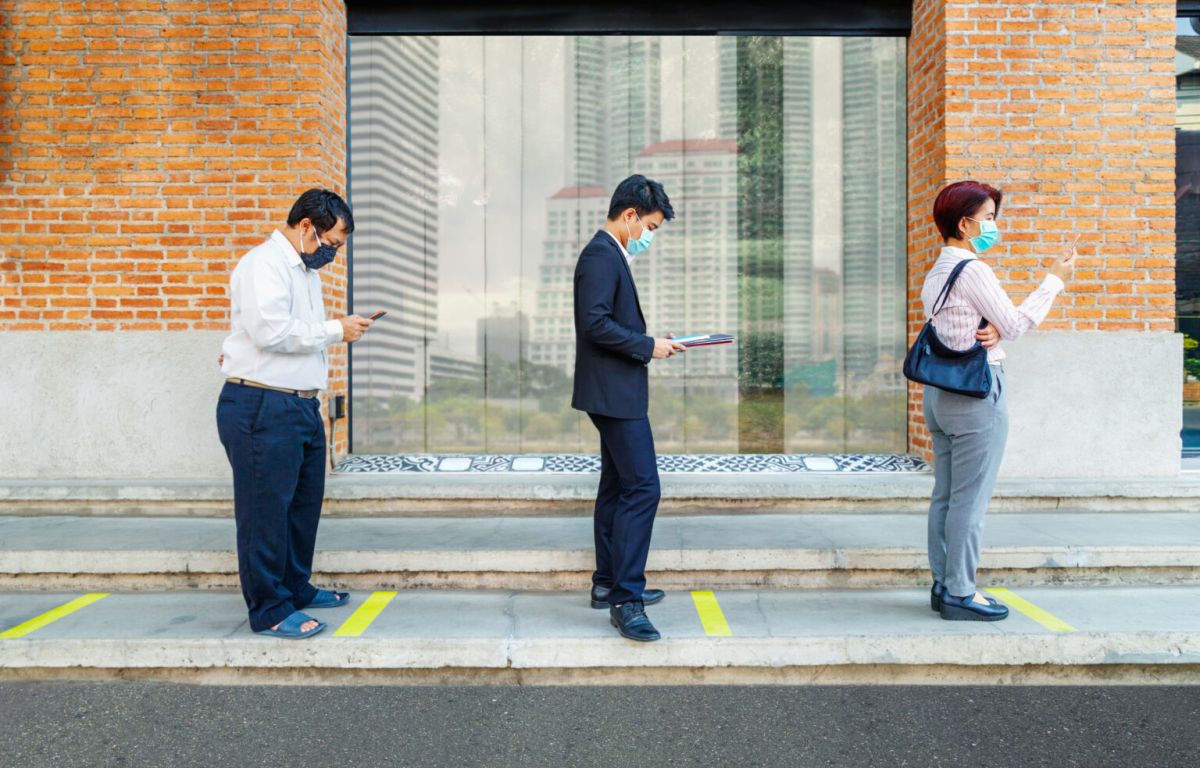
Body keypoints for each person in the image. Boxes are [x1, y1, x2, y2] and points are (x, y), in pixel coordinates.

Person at [216, 188, 372, 639]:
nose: (332, 253)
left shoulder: (304, 272)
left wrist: (332, 330)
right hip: (262, 405)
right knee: (265, 513)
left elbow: (292, 334)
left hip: (300, 404)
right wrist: (335, 329)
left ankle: (295, 587)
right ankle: (268, 609)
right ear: (307, 226)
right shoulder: (263, 264)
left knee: (301, 508)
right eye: (331, 242)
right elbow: (270, 331)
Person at [922, 180, 1076, 621]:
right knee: (969, 501)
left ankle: (944, 585)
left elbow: (963, 327)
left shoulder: (937, 272)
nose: (993, 225)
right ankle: (961, 593)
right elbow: (1015, 325)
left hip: (939, 394)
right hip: (975, 395)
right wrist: (1054, 281)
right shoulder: (973, 270)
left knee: (946, 497)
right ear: (964, 224)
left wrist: (991, 327)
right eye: (988, 218)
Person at [572, 174, 685, 642]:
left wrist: (652, 342)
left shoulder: (610, 254)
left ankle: (607, 584)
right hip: (614, 395)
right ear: (630, 215)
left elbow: (606, 323)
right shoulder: (601, 255)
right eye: (650, 228)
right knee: (643, 488)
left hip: (614, 391)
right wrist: (646, 345)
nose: (648, 237)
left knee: (618, 486)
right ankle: (626, 599)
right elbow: (594, 323)